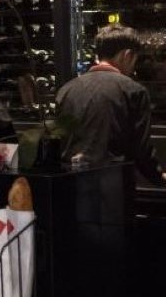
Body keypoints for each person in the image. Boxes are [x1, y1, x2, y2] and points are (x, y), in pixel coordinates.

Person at [57, 24, 166, 185]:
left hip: (71, 185)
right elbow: (141, 151)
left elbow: (60, 142)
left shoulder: (66, 90)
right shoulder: (133, 91)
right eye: (135, 60)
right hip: (112, 187)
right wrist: (159, 178)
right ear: (127, 55)